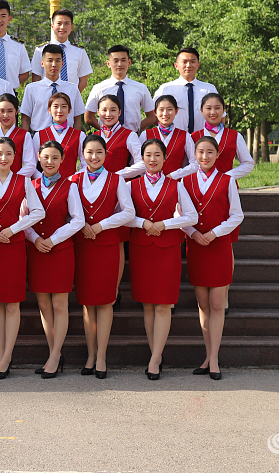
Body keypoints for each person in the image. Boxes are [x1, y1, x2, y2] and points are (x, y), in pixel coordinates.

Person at [127, 138, 198, 380]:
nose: (153, 159)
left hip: (167, 249)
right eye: (148, 155)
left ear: (165, 158)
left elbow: (192, 216)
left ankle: (156, 359)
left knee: (163, 304)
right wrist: (143, 222)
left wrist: (165, 224)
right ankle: (154, 353)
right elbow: (123, 215)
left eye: (158, 155)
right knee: (147, 304)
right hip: (141, 249)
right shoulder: (131, 186)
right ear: (142, 158)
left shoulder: (176, 185)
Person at [0, 136, 45, 379]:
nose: (4, 158)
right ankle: (1, 353)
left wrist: (14, 229)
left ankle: (6, 357)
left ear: (16, 157)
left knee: (12, 302)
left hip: (14, 246)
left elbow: (38, 212)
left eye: (9, 154)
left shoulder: (24, 182)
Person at [71, 135, 135, 379]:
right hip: (82, 246)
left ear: (106, 154)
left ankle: (101, 356)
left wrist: (101, 226)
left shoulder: (117, 180)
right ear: (82, 154)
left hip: (106, 245)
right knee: (87, 303)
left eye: (99, 152)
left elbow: (128, 212)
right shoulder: (72, 180)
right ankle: (90, 354)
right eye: (89, 152)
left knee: (105, 301)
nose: (94, 157)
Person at [182, 136, 244, 381]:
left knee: (217, 304)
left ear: (218, 155)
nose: (205, 156)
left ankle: (215, 358)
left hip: (218, 246)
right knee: (203, 305)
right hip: (196, 245)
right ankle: (207, 356)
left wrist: (213, 233)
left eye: (210, 152)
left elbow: (236, 215)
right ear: (194, 154)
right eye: (200, 152)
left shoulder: (227, 180)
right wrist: (195, 233)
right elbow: (181, 214)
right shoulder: (185, 182)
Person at [24, 140, 85, 379]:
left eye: (55, 158)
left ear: (62, 160)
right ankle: (54, 353)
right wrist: (34, 238)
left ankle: (55, 355)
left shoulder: (70, 187)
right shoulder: (31, 185)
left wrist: (53, 239)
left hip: (60, 251)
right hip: (37, 250)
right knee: (43, 305)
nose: (50, 162)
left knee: (59, 305)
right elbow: (24, 218)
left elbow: (77, 220)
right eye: (46, 157)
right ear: (38, 157)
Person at [85, 45, 156, 133]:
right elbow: (88, 117)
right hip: (107, 138)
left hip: (132, 137)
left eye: (123, 60)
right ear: (108, 64)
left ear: (129, 63)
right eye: (115, 61)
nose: (120, 64)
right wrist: (105, 130)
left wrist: (135, 130)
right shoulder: (99, 88)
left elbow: (152, 117)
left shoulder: (141, 88)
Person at [153, 47, 218, 135]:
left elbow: (220, 116)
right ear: (176, 65)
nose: (188, 65)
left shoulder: (209, 89)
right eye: (184, 62)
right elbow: (154, 116)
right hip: (175, 140)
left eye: (193, 62)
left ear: (198, 65)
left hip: (203, 141)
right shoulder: (166, 89)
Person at [21, 44, 85, 131]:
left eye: (58, 61)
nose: (54, 65)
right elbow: (25, 119)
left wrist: (75, 139)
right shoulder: (32, 89)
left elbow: (77, 118)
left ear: (62, 63)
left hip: (66, 137)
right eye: (50, 61)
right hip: (40, 138)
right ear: (42, 63)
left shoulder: (72, 89)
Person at [193, 93, 255, 178]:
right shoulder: (193, 137)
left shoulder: (235, 136)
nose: (213, 112)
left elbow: (248, 163)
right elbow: (189, 164)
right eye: (208, 108)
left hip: (227, 187)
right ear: (202, 111)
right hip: (198, 187)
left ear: (223, 110)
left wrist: (226, 176)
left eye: (217, 108)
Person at [30, 9, 93, 93]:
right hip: (46, 98)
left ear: (71, 27)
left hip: (70, 100)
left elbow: (83, 80)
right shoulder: (40, 50)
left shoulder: (79, 51)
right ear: (52, 26)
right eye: (59, 23)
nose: (62, 27)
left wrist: (72, 95)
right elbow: (35, 78)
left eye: (66, 24)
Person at [145, 94, 199, 178]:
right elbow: (138, 162)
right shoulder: (145, 134)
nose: (165, 114)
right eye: (161, 110)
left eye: (169, 109)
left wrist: (174, 175)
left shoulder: (185, 136)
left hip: (175, 185)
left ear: (176, 111)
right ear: (155, 112)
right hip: (149, 185)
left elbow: (195, 164)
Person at [34, 92, 85, 180]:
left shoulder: (80, 135)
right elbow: (32, 165)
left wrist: (73, 179)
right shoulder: (39, 135)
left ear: (69, 110)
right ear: (49, 110)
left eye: (64, 106)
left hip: (70, 185)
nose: (59, 110)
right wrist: (43, 180)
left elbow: (85, 163)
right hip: (45, 186)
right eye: (56, 106)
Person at [0, 94, 35, 178]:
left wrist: (15, 179)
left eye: (10, 111)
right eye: (2, 111)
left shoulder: (24, 135)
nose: (5, 115)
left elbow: (30, 165)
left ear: (16, 111)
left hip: (16, 183)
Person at [93, 94, 144, 178]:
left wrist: (117, 175)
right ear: (98, 112)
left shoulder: (129, 135)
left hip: (119, 185)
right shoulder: (94, 137)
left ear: (119, 112)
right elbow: (84, 164)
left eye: (113, 110)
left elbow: (142, 163)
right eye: (104, 110)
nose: (108, 114)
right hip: (95, 185)